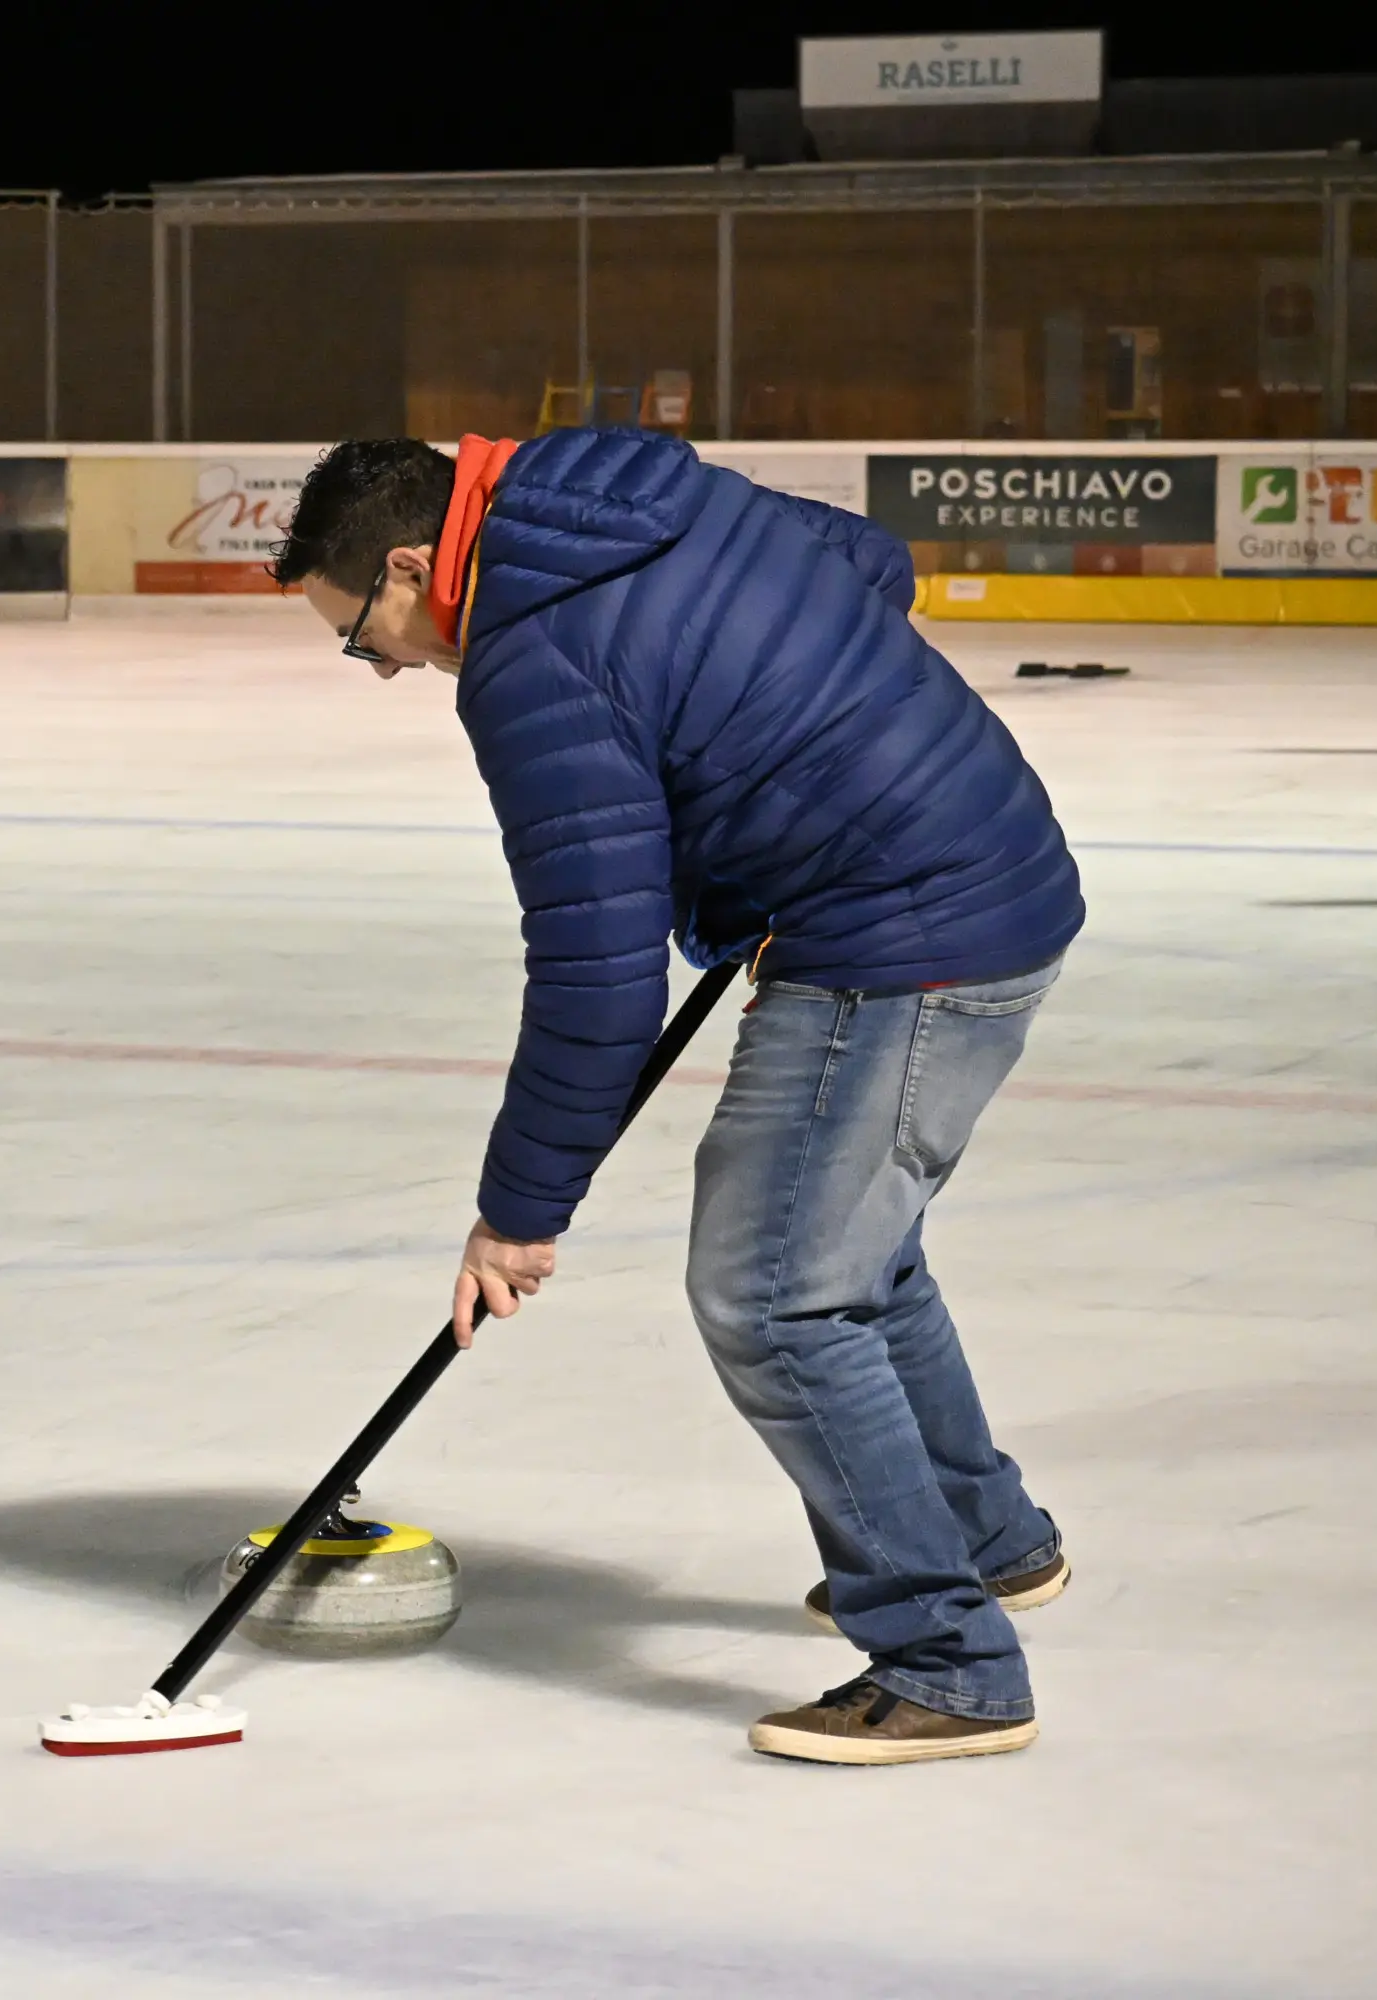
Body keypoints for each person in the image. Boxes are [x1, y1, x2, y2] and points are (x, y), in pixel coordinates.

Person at [273, 430, 1085, 1765]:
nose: (383, 668)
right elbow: (867, 564)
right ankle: (987, 1539)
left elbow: (597, 969)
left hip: (905, 932)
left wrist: (519, 1212)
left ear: (414, 566)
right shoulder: (614, 490)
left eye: (364, 636)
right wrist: (791, 772)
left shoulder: (532, 656)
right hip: (991, 856)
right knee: (855, 1258)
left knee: (775, 1292)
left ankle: (949, 1660)